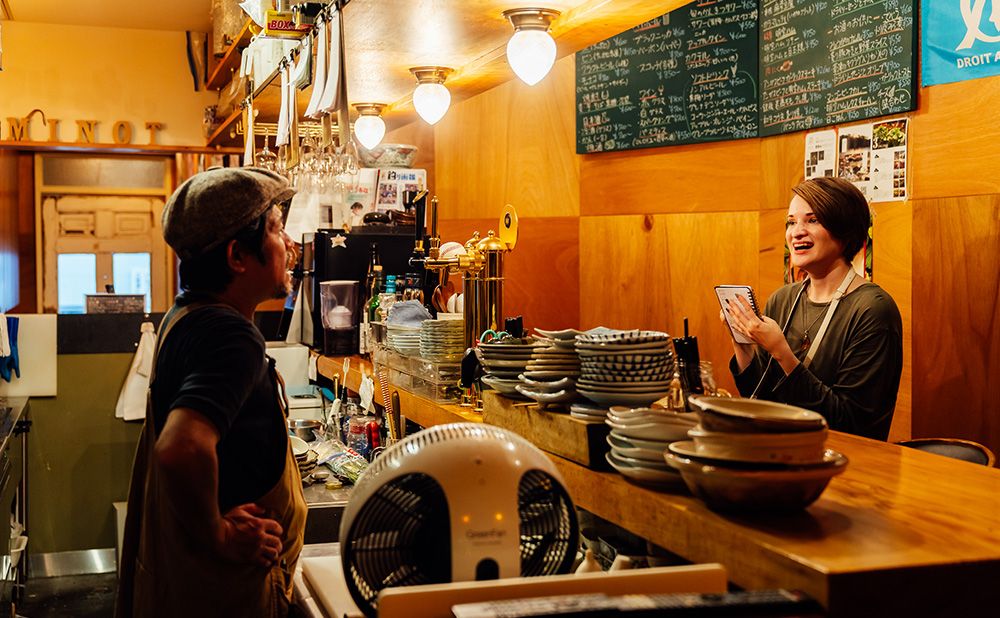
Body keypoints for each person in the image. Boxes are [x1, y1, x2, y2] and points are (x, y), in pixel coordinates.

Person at [116, 167, 307, 617]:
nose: (291, 246)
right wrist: (219, 533)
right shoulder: (230, 334)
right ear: (238, 256)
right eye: (278, 230)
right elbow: (181, 447)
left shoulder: (187, 315)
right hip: (228, 592)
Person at [723, 177, 902, 440]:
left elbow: (850, 423)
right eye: (792, 222)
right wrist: (741, 341)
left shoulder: (873, 310)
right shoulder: (782, 299)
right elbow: (758, 399)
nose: (796, 232)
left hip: (848, 463)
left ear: (845, 229)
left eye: (813, 220)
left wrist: (781, 351)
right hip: (779, 453)